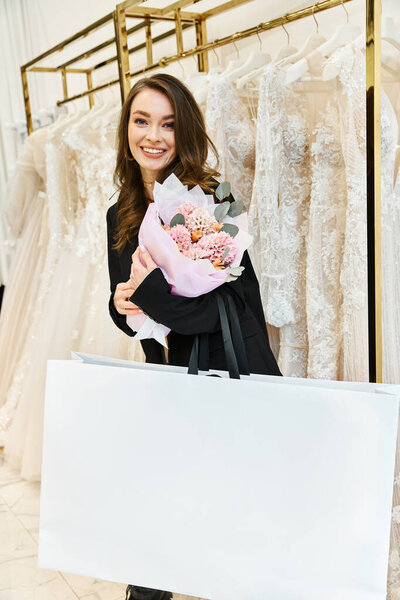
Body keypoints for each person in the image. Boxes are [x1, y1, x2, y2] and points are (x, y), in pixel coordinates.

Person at [106, 73, 281, 600]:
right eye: (142, 121)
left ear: (185, 132)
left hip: (223, 377)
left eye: (168, 124)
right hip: (168, 386)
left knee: (239, 523)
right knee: (160, 527)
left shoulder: (213, 199)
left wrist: (155, 293)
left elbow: (235, 306)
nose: (154, 136)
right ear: (127, 129)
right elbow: (127, 311)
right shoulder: (119, 213)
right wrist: (121, 304)